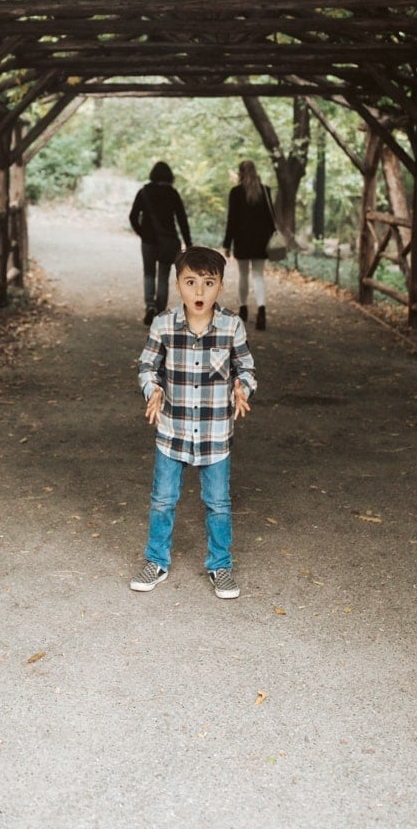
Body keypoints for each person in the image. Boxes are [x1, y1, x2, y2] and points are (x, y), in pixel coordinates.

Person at [130, 246, 256, 599]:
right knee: (162, 500)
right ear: (177, 284)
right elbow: (147, 366)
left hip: (216, 435)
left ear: (220, 286)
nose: (199, 292)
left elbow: (246, 368)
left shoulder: (232, 326)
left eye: (208, 283)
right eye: (190, 282)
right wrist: (152, 389)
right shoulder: (163, 324)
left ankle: (220, 566)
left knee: (218, 503)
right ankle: (156, 560)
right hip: (172, 431)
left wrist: (241, 388)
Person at [129, 161, 192, 326]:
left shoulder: (144, 193)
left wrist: (142, 233)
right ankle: (160, 311)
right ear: (169, 176)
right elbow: (182, 220)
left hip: (149, 241)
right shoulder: (173, 193)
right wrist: (188, 242)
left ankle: (149, 305)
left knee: (149, 273)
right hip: (168, 241)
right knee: (163, 277)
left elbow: (133, 217)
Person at [222, 159, 276, 331]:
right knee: (258, 275)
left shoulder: (236, 193)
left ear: (240, 173)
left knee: (243, 275)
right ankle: (261, 310)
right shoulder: (265, 191)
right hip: (261, 241)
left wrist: (227, 244)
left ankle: (243, 309)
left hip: (242, 240)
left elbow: (232, 220)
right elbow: (271, 219)